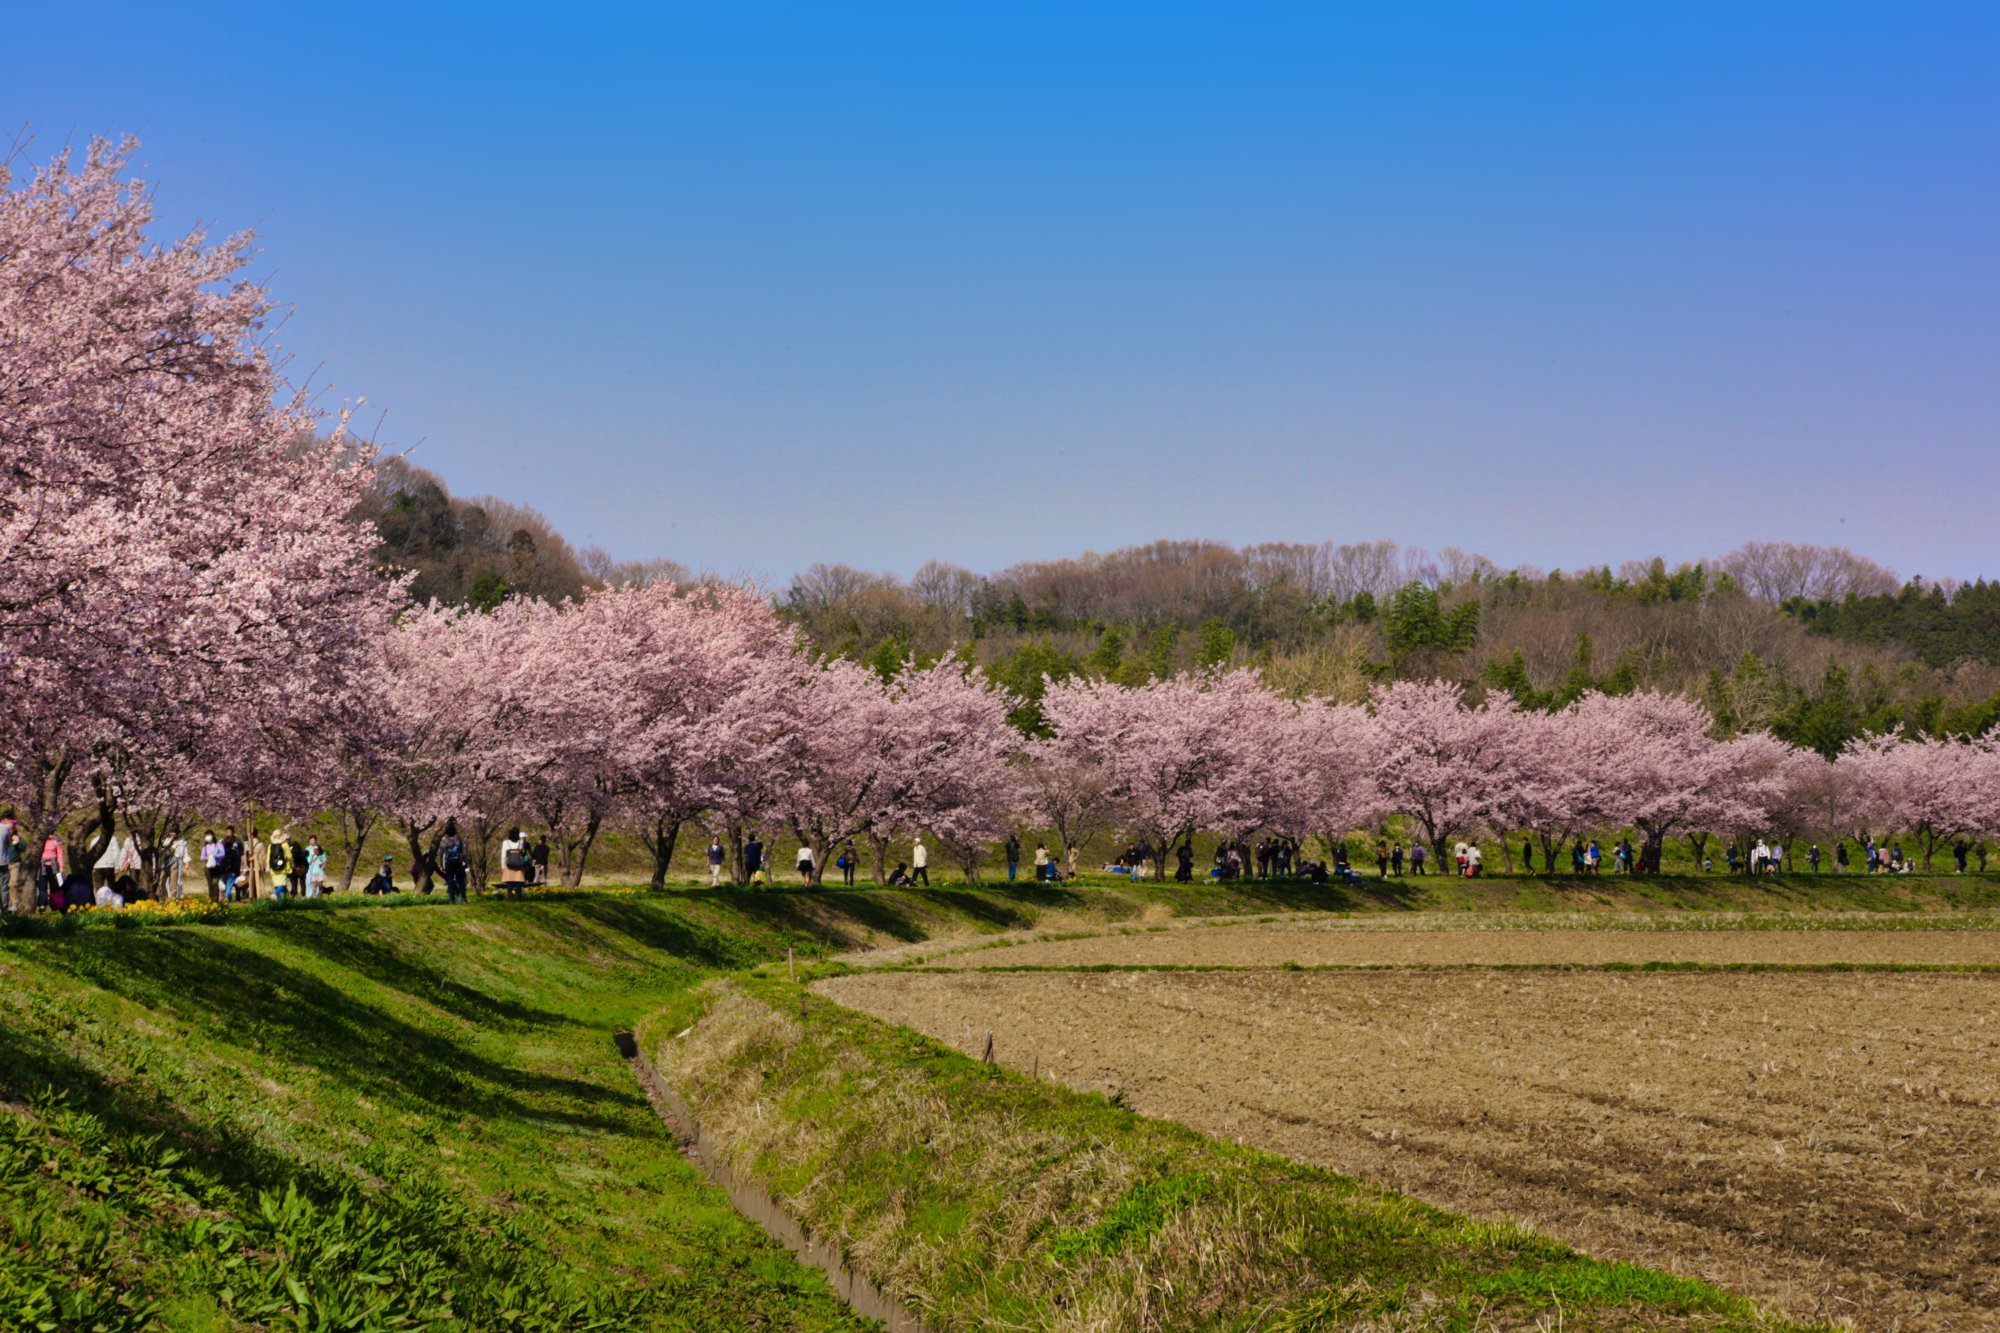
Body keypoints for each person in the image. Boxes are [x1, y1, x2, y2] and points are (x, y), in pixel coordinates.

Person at [439, 819, 469, 903]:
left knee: (450, 880)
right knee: (460, 880)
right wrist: (465, 862)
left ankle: (452, 899)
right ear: (455, 831)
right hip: (458, 862)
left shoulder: (444, 841)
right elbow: (464, 852)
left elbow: (441, 853)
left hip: (448, 862)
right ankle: (464, 898)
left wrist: (441, 864)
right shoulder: (458, 840)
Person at [500, 827, 529, 899]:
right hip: (518, 865)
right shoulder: (520, 843)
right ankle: (518, 896)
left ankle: (510, 897)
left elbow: (503, 855)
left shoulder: (505, 842)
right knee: (519, 880)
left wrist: (503, 866)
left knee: (509, 881)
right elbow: (522, 854)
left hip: (509, 864)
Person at [267, 833, 290, 898]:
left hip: (273, 869)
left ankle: (282, 899)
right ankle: (276, 894)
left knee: (277, 885)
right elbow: (289, 856)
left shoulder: (270, 846)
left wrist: (268, 866)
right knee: (282, 884)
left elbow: (268, 858)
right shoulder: (285, 845)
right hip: (283, 868)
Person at [287, 832, 308, 896]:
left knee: (294, 882)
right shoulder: (299, 848)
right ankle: (302, 895)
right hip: (301, 867)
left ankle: (294, 894)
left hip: (295, 867)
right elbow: (306, 853)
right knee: (302, 882)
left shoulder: (290, 848)